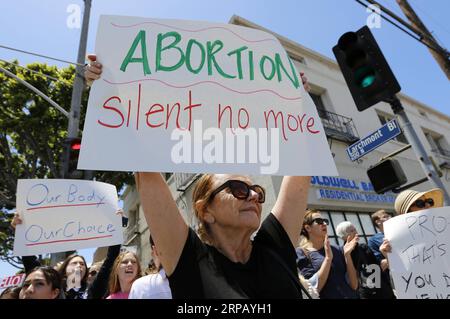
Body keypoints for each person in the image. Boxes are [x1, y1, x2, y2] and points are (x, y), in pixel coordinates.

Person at [85, 55, 312, 298]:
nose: (255, 195)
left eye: (256, 189)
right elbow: (145, 169)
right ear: (205, 211)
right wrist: (108, 89)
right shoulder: (189, 259)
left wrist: (298, 102)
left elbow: (302, 165)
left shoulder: (274, 246)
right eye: (238, 188)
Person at [297, 210, 359, 299]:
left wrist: (347, 255)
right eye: (319, 221)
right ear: (308, 228)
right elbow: (313, 289)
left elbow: (354, 285)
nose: (324, 224)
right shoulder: (302, 253)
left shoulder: (338, 249)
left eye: (325, 221)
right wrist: (328, 258)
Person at [335, 221, 395, 299]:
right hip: (365, 292)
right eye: (351, 231)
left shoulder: (363, 247)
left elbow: (377, 266)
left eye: (355, 229)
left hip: (382, 288)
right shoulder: (342, 253)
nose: (355, 232)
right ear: (344, 236)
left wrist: (385, 254)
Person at [380, 187, 445, 258]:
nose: (428, 205)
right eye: (420, 203)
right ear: (407, 212)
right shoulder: (398, 240)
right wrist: (389, 256)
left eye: (429, 201)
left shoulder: (444, 227)